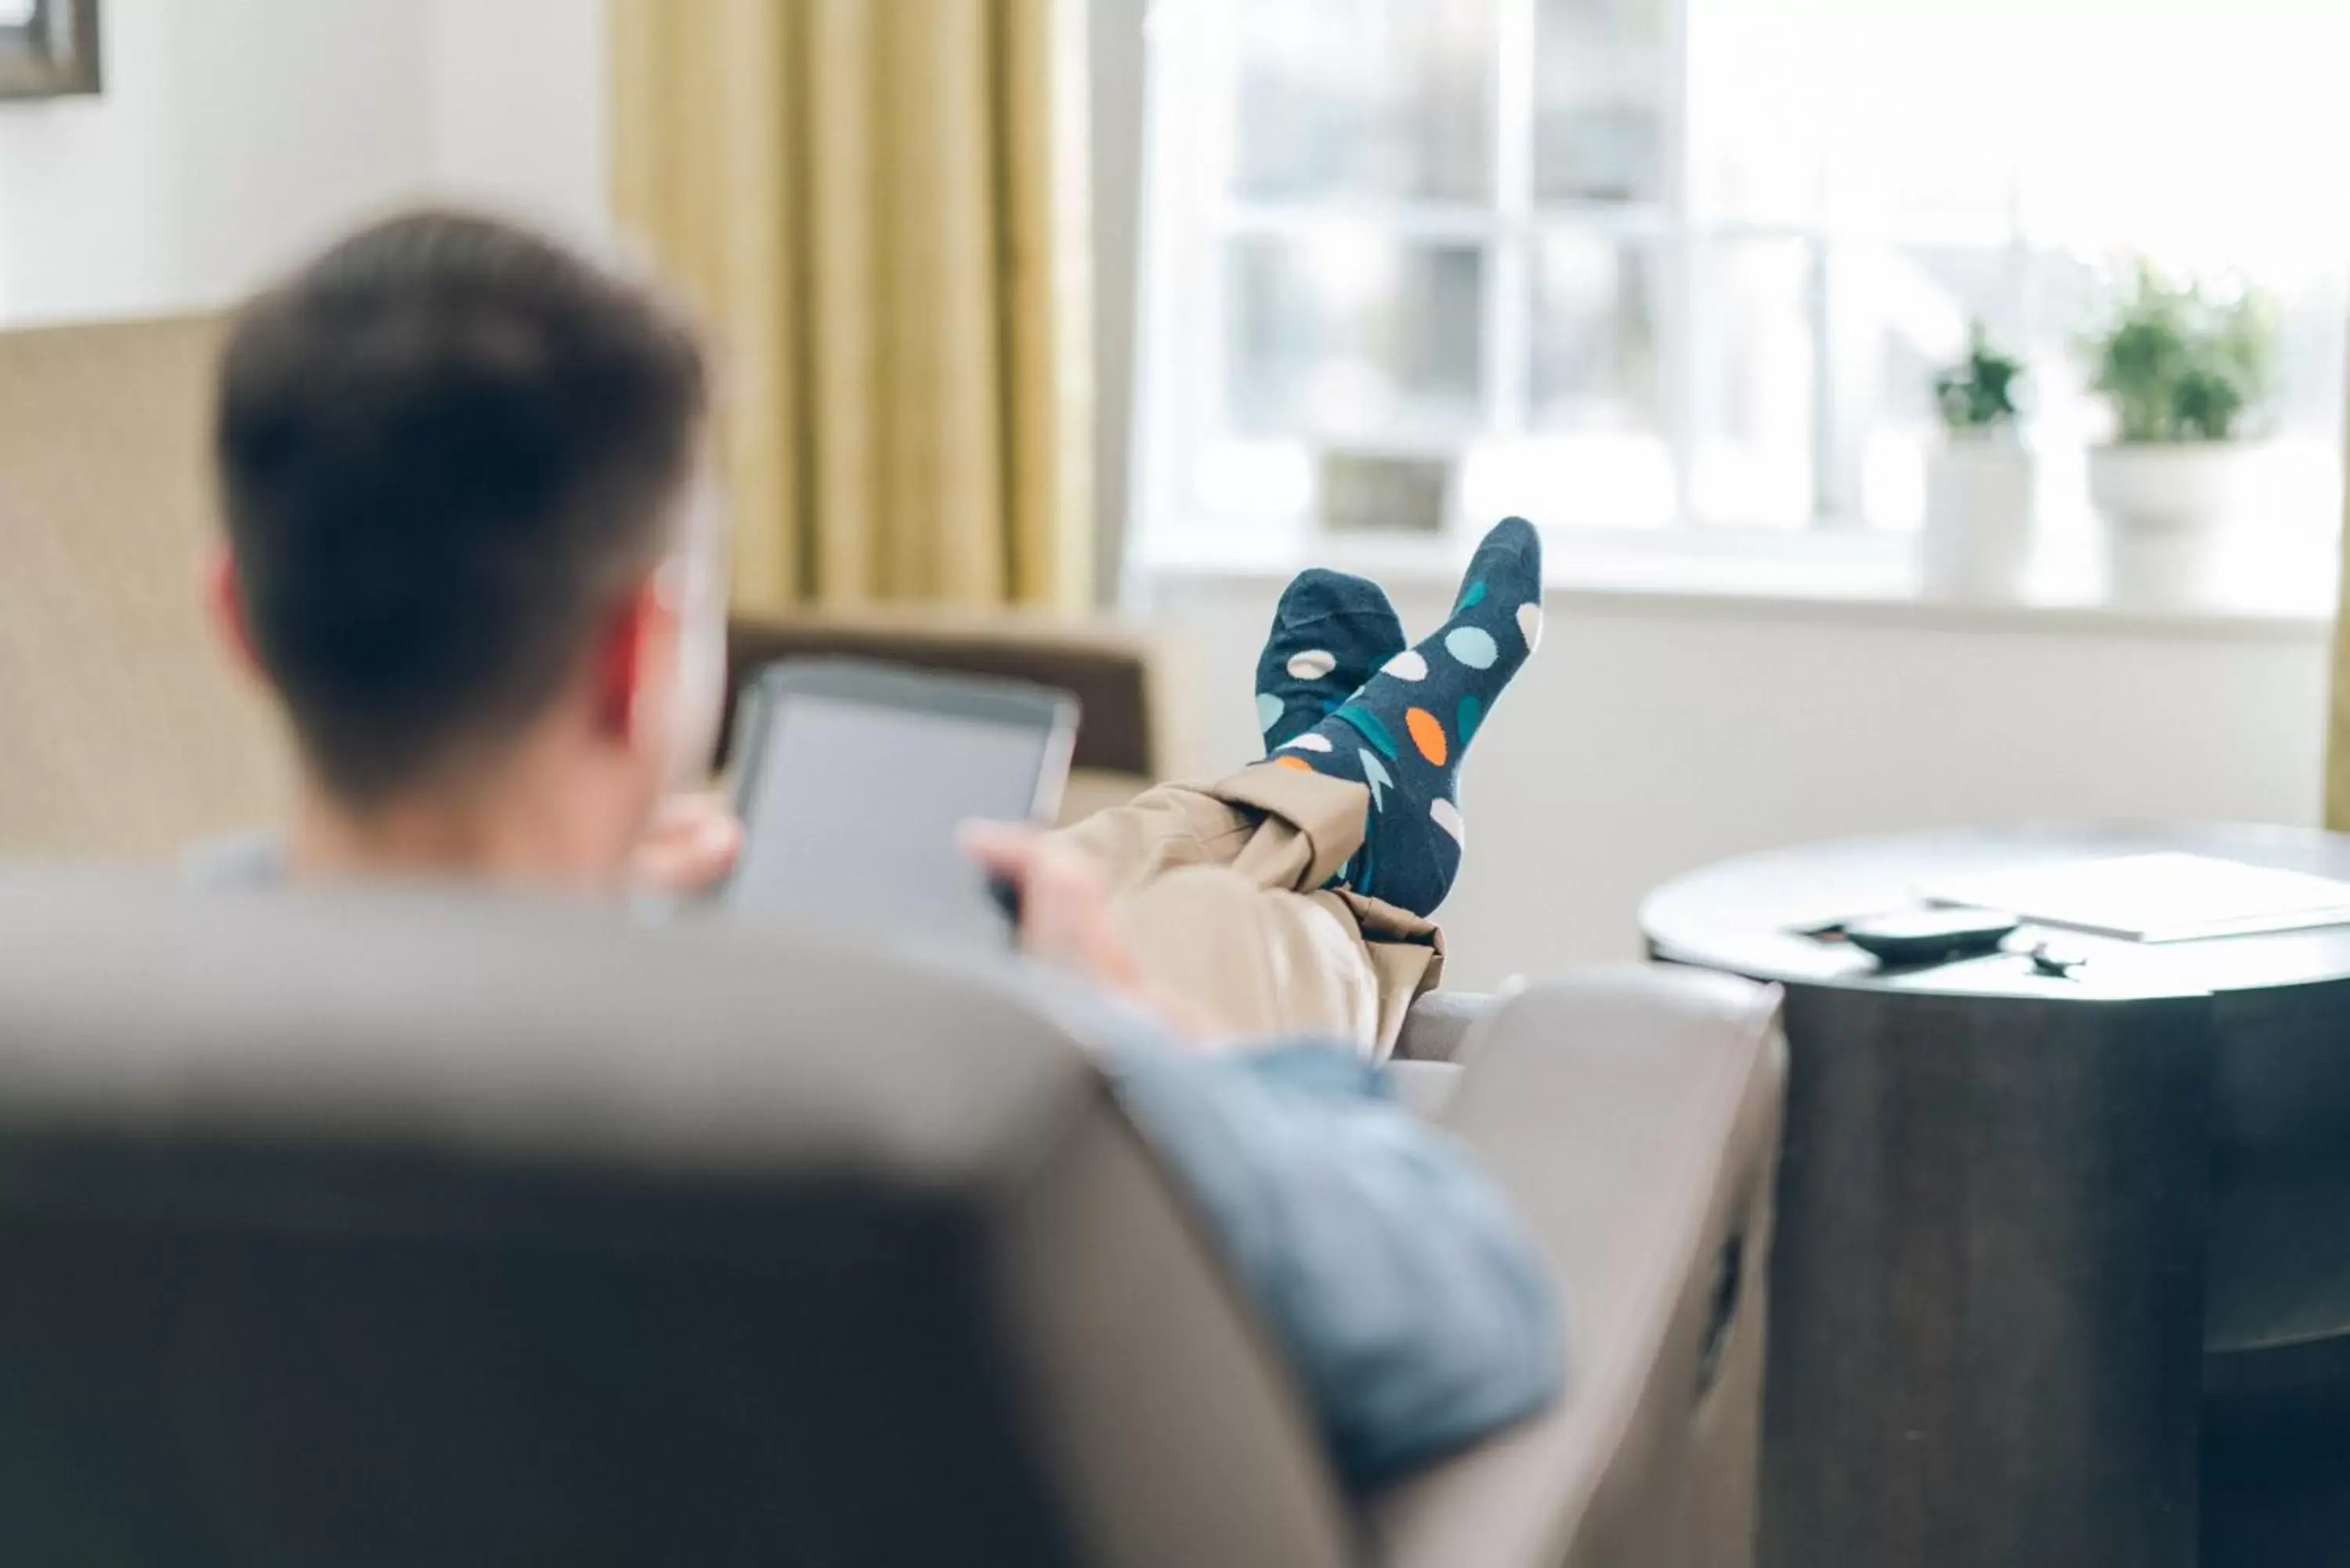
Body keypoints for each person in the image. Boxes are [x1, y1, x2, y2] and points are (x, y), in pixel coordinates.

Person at [201, 209, 1560, 1488]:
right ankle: (1356, 824)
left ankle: (1337, 785)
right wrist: (1128, 1041)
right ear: (640, 658)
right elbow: (1483, 1307)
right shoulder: (904, 1096)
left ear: (240, 625)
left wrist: (589, 911)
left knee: (1072, 872)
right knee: (1200, 934)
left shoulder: (103, 1026)